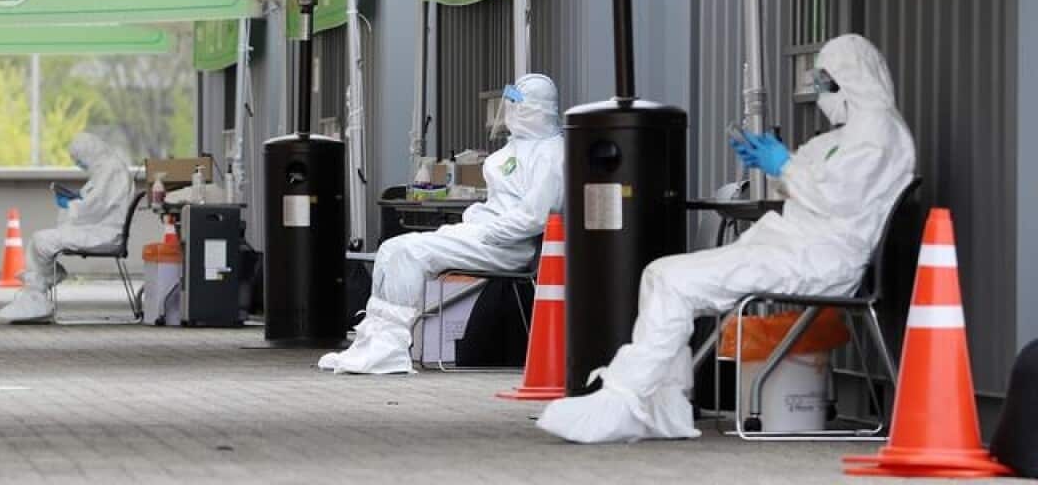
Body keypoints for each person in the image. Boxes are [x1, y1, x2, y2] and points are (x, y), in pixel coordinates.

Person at [538, 34, 916, 443]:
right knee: (660, 273)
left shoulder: (879, 133)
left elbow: (839, 198)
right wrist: (775, 162)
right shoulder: (844, 136)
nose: (820, 93)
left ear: (850, 78)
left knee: (672, 279)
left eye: (826, 82)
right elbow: (814, 179)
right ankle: (660, 402)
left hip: (820, 259)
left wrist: (784, 165)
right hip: (794, 247)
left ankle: (629, 400)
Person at [319, 73, 565, 374]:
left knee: (410, 254)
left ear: (533, 109)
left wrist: (487, 230)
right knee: (391, 250)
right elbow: (503, 203)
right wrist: (477, 217)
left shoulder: (551, 154)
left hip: (508, 247)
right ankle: (373, 343)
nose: (510, 111)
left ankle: (390, 350)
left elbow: (534, 216)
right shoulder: (518, 148)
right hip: (487, 235)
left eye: (517, 104)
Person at [0, 133, 134, 324]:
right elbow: (95, 201)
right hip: (98, 229)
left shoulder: (112, 171)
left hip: (104, 234)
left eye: (79, 160)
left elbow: (95, 207)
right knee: (40, 240)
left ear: (88, 152)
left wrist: (73, 203)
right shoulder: (105, 170)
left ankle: (37, 292)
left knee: (42, 240)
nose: (79, 164)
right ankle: (37, 291)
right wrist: (77, 198)